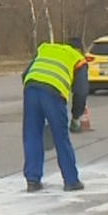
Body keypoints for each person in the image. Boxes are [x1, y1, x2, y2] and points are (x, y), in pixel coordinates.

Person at [21, 37, 89, 193]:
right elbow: (81, 91)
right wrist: (76, 116)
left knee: (32, 135)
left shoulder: (46, 49)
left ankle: (33, 181)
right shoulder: (78, 59)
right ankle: (71, 181)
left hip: (30, 88)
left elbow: (25, 74)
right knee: (60, 137)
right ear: (80, 50)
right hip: (53, 94)